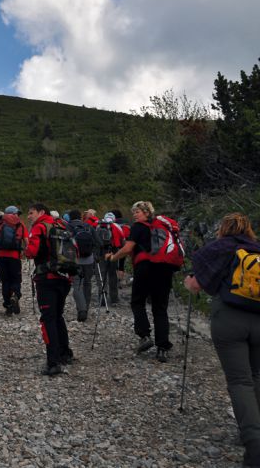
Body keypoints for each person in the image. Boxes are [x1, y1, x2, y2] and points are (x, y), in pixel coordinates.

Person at [184, 213, 260, 468]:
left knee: (240, 381)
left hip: (229, 319)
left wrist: (187, 283)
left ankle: (254, 442)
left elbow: (197, 285)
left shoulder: (220, 247)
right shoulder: (257, 250)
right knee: (257, 375)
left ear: (223, 229)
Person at [106, 201, 176, 361]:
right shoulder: (164, 226)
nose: (134, 214)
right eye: (134, 212)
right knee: (160, 308)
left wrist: (113, 258)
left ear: (146, 212)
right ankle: (162, 348)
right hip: (164, 270)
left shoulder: (138, 227)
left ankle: (144, 335)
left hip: (145, 268)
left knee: (138, 302)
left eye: (137, 211)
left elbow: (128, 248)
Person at [26, 203, 74, 376]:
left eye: (31, 213)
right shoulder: (61, 225)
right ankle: (65, 353)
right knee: (58, 316)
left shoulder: (39, 227)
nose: (29, 217)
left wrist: (25, 247)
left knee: (48, 319)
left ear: (41, 212)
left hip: (47, 279)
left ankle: (53, 363)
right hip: (65, 278)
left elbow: (31, 252)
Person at [0, 205, 27, 314]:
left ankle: (8, 305)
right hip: (15, 257)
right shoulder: (20, 224)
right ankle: (15, 295)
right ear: (13, 214)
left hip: (1, 257)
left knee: (5, 281)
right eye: (17, 213)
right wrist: (25, 251)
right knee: (16, 279)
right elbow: (27, 241)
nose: (18, 215)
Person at [67, 209, 98, 321]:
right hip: (89, 259)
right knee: (87, 283)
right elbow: (97, 241)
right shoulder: (88, 226)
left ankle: (82, 310)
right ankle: (87, 307)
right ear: (80, 217)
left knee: (77, 284)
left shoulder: (68, 227)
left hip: (75, 260)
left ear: (69, 217)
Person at [96, 212, 125, 306]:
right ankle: (114, 299)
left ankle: (102, 299)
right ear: (114, 219)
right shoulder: (116, 226)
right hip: (113, 252)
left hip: (101, 253)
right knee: (112, 275)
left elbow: (95, 239)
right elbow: (122, 240)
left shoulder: (99, 225)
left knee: (101, 276)